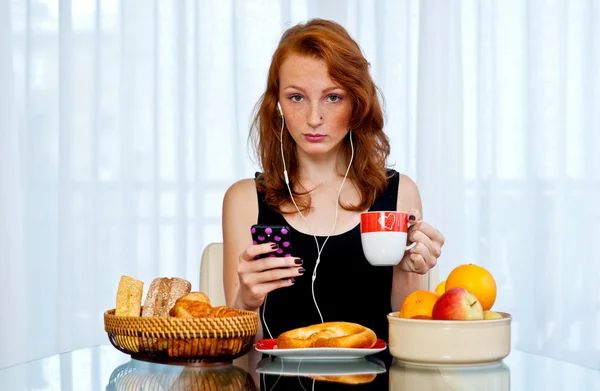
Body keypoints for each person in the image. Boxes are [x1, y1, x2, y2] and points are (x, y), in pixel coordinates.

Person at [221, 18, 445, 368]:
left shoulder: (399, 194)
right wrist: (246, 301)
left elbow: (408, 347)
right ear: (277, 105)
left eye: (333, 97)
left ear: (356, 103)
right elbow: (235, 358)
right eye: (296, 97)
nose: (313, 118)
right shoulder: (244, 200)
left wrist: (408, 271)